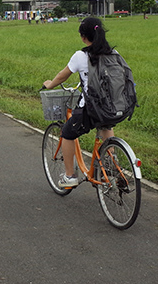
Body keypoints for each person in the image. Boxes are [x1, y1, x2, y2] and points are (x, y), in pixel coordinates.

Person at [42, 16, 115, 188]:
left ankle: (69, 176)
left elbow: (62, 75)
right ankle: (113, 167)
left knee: (67, 133)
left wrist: (50, 84)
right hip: (114, 106)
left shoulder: (81, 56)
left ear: (83, 37)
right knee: (106, 126)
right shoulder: (113, 53)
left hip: (92, 107)